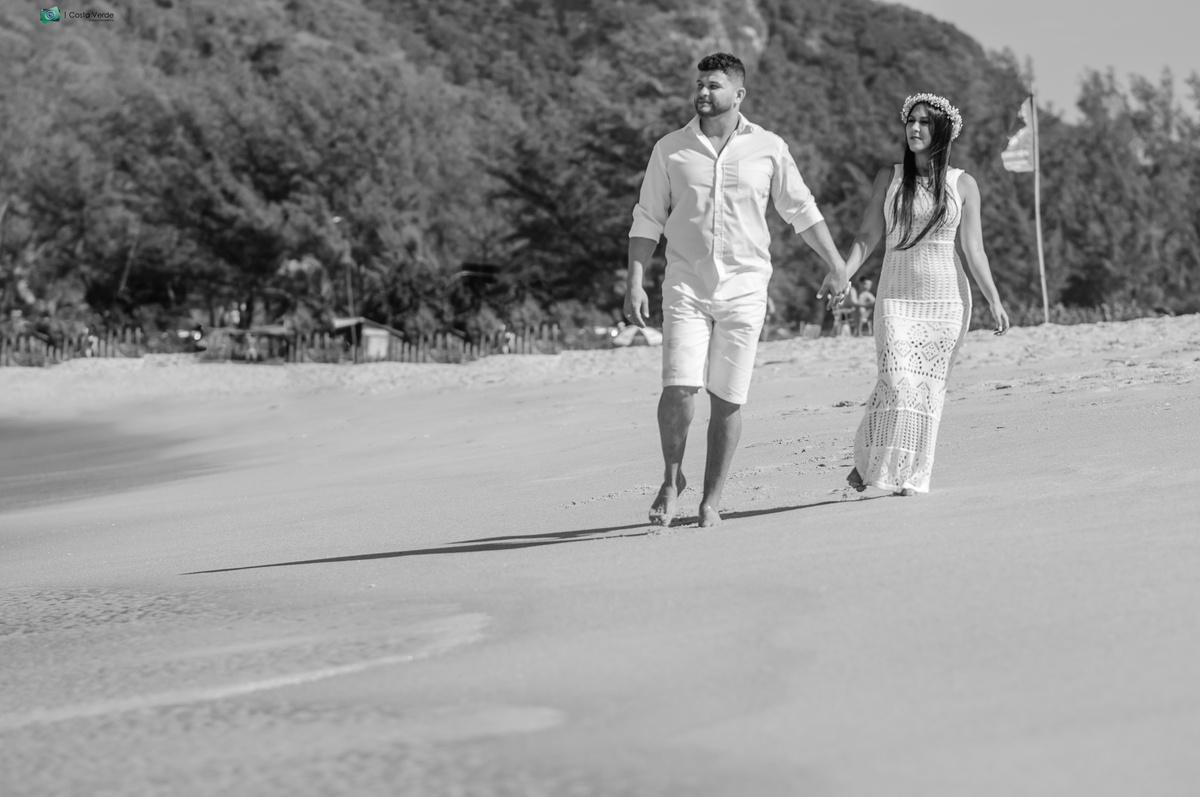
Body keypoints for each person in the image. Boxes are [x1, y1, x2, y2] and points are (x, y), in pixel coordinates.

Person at [625, 52, 848, 527]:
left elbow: (801, 211)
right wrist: (635, 281)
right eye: (700, 85)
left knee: (727, 398)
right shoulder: (670, 148)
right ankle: (671, 480)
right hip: (685, 283)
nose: (703, 93)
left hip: (746, 287)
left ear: (739, 94)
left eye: (714, 86)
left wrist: (836, 265)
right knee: (678, 388)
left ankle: (711, 500)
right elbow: (647, 218)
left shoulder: (769, 147)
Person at [843, 93, 1009, 496]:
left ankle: (911, 477)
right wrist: (842, 275)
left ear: (942, 132)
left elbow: (974, 249)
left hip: (947, 301)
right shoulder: (889, 177)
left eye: (924, 123)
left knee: (927, 392)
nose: (915, 128)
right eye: (911, 121)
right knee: (896, 378)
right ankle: (869, 459)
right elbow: (867, 234)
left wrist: (993, 299)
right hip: (895, 297)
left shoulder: (963, 184)